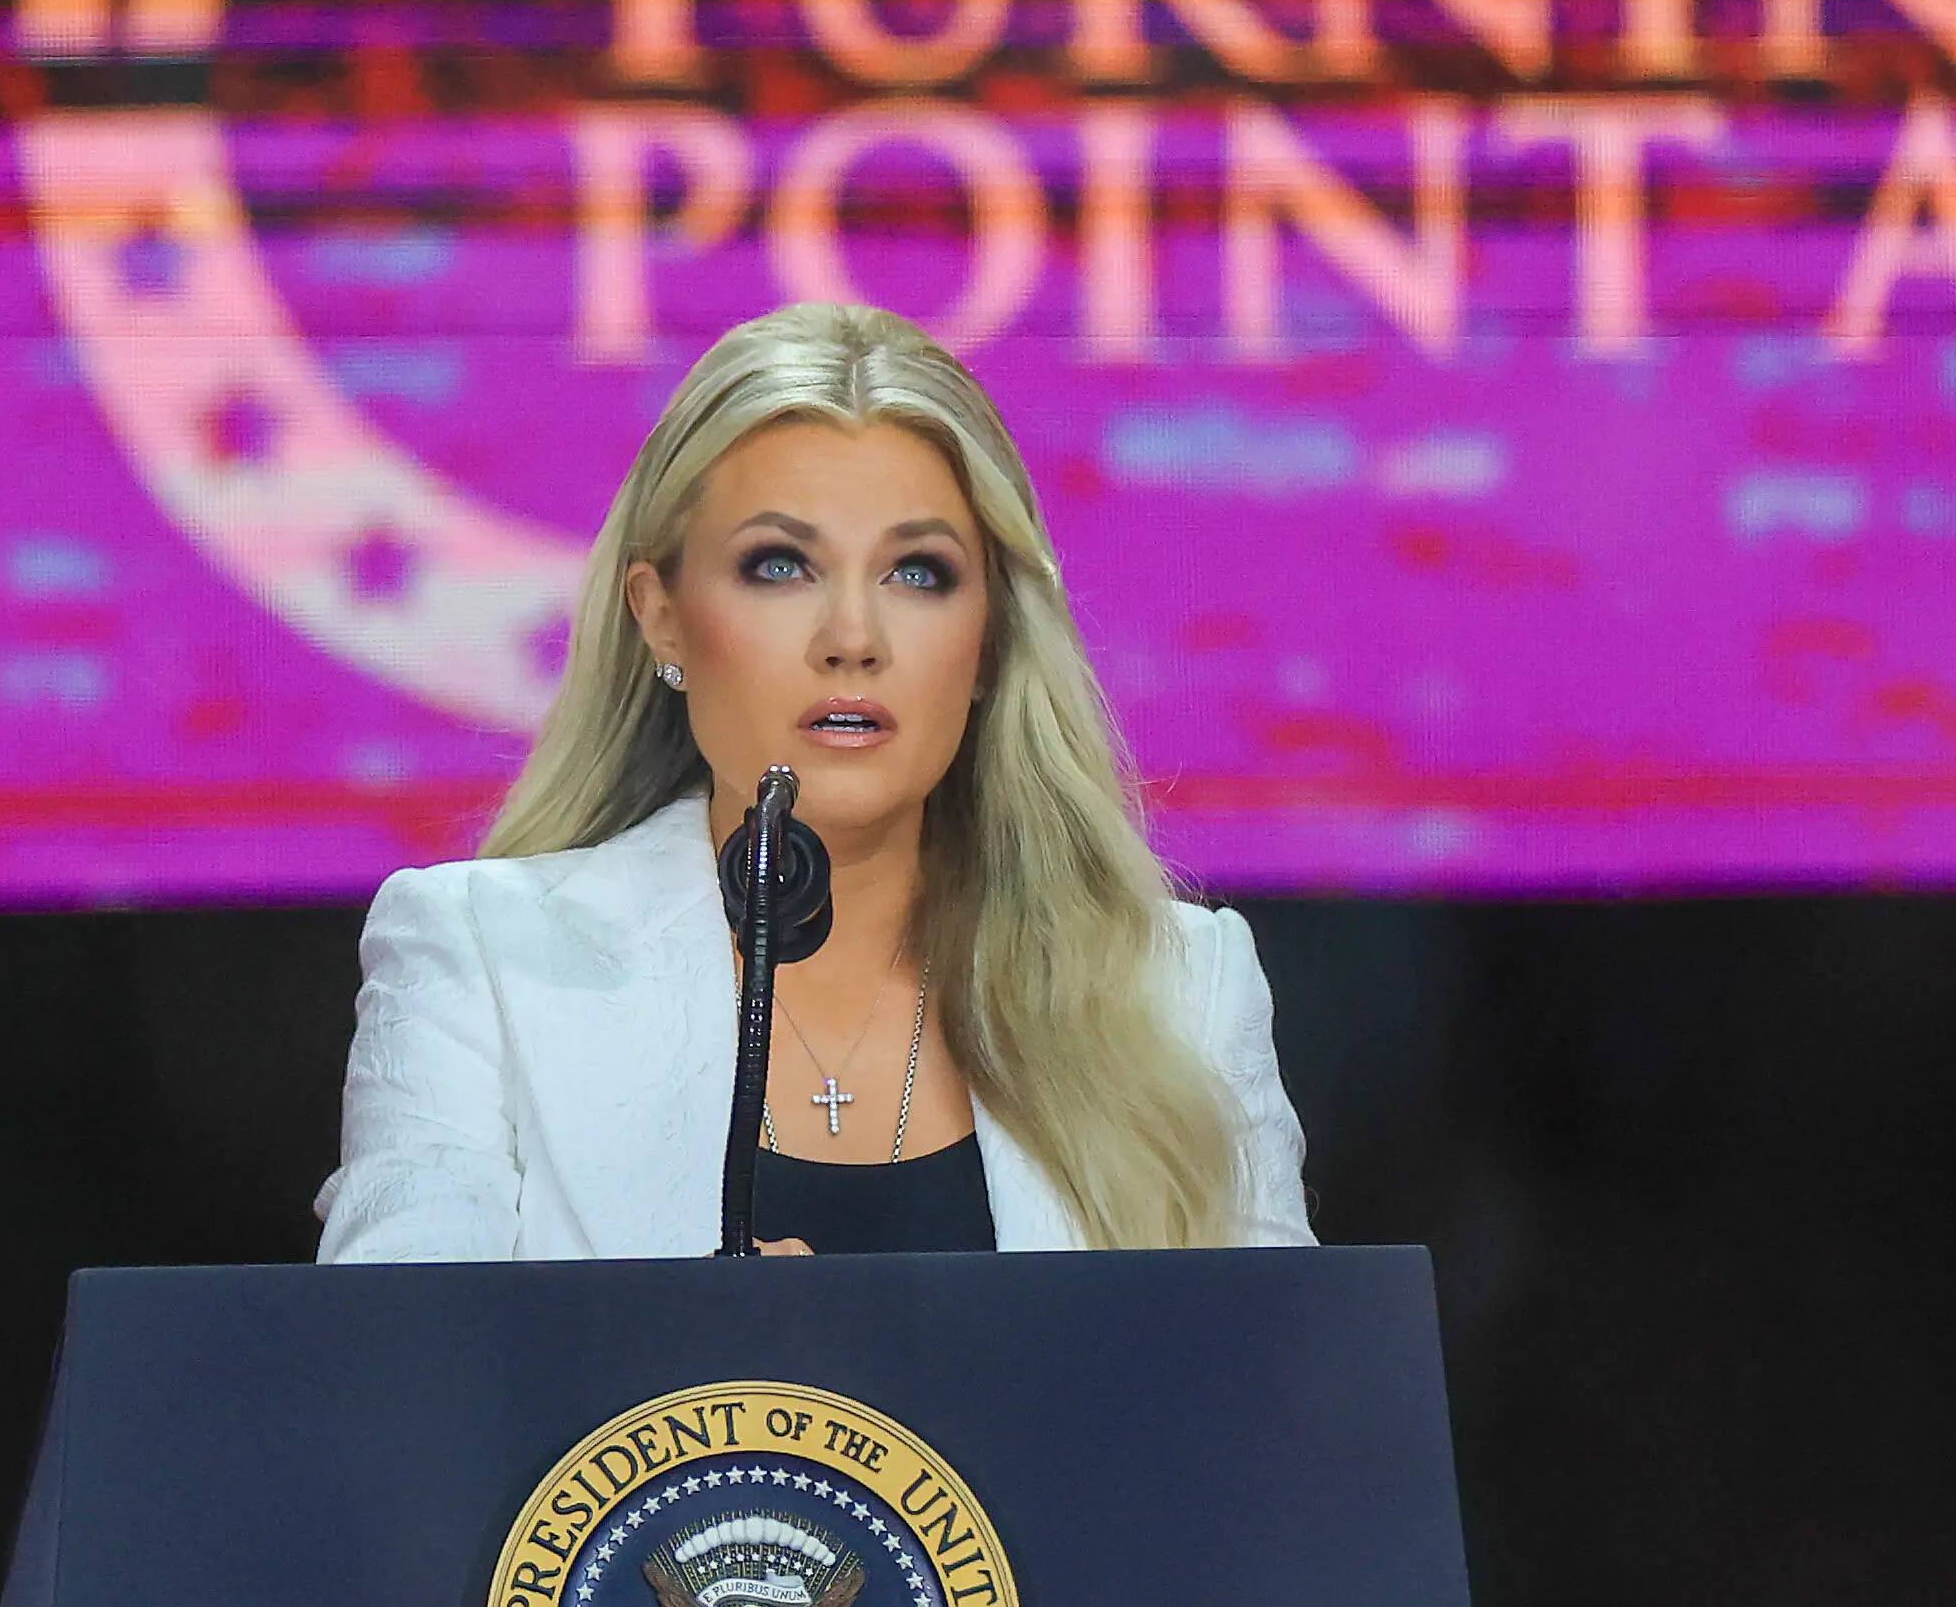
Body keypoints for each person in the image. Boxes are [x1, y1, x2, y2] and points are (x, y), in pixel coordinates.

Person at [316, 300, 1308, 1260]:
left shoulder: (1181, 990)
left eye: (918, 574)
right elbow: (395, 1387)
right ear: (660, 615)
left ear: (991, 638)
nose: (852, 639)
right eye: (780, 566)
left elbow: (1284, 1407)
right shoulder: (488, 966)